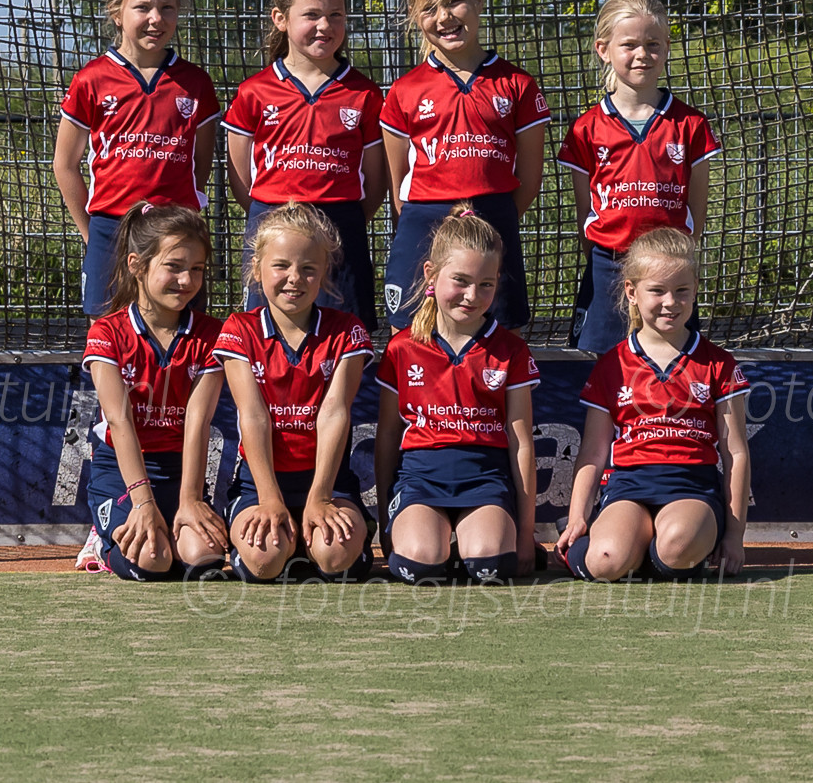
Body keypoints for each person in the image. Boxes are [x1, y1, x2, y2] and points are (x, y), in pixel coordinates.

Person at [556, 228, 750, 581]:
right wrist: (576, 518)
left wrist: (735, 536)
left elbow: (735, 452)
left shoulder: (718, 363)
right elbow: (593, 454)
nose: (670, 302)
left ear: (695, 290)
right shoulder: (611, 365)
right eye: (657, 291)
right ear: (631, 292)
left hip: (694, 488)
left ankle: (677, 546)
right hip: (629, 487)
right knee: (607, 561)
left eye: (682, 291)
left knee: (677, 546)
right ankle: (600, 545)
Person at [379, 0, 550, 332]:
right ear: (415, 17)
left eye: (454, 1)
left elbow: (529, 180)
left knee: (500, 341)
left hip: (494, 222)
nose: (444, 17)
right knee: (409, 337)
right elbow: (397, 186)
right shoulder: (404, 90)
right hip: (423, 224)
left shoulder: (518, 85)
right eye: (429, 8)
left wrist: (492, 217)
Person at [373, 205, 539, 585]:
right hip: (420, 479)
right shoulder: (402, 348)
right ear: (431, 275)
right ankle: (435, 539)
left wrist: (526, 534)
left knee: (490, 567)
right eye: (460, 281)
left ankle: (473, 539)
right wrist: (385, 518)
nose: (471, 296)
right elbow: (387, 437)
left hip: (485, 479)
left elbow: (521, 443)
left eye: (486, 284)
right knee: (419, 565)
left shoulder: (511, 350)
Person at [53, 0, 222, 316]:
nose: (155, 18)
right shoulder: (91, 79)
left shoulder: (195, 83)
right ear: (117, 12)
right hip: (111, 228)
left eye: (167, 8)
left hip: (176, 230)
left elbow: (200, 163)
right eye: (142, 7)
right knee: (107, 330)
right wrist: (92, 232)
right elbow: (64, 164)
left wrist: (182, 212)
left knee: (182, 330)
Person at [223, 0, 388, 331]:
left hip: (341, 232)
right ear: (280, 19)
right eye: (311, 15)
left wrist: (338, 221)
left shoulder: (364, 93)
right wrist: (276, 220)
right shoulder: (253, 92)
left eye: (335, 15)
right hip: (271, 225)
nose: (325, 26)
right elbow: (241, 180)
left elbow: (376, 182)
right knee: (266, 336)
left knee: (344, 336)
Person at [214, 202, 375, 581]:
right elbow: (253, 416)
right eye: (281, 266)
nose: (294, 279)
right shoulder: (239, 330)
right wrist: (269, 499)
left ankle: (325, 543)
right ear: (257, 269)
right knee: (265, 560)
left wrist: (321, 496)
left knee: (334, 557)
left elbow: (334, 413)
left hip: (328, 482)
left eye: (308, 269)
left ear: (324, 272)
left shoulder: (347, 330)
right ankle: (283, 545)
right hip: (260, 483)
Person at [556, 0, 720, 353]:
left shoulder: (691, 124)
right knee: (598, 362)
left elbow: (697, 210)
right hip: (608, 267)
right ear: (604, 49)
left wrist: (673, 262)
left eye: (653, 44)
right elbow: (585, 214)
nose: (642, 54)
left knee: (672, 361)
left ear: (667, 48)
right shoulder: (585, 128)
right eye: (629, 44)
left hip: (669, 269)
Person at [79, 203, 230, 581]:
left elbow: (198, 422)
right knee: (152, 559)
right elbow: (120, 422)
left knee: (204, 557)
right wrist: (143, 502)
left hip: (179, 470)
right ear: (137, 265)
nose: (186, 280)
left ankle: (174, 525)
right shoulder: (107, 333)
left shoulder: (212, 334)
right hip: (121, 472)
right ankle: (103, 543)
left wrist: (190, 499)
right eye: (174, 266)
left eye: (197, 269)